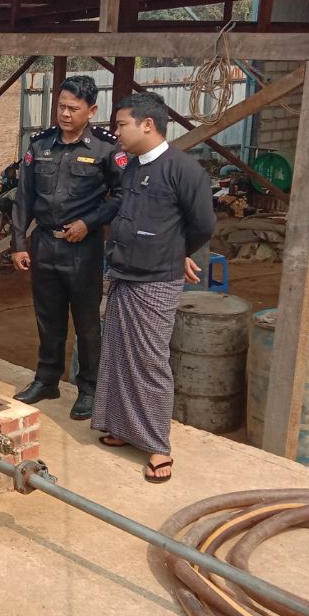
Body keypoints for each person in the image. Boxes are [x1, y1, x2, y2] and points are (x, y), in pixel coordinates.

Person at [93, 92, 216, 483]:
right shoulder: (132, 166)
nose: (116, 132)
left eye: (121, 125)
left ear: (147, 124)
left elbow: (203, 225)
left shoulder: (183, 170)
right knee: (118, 354)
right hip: (124, 273)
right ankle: (122, 427)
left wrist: (176, 252)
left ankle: (158, 445)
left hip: (156, 280)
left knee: (149, 362)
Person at [10, 75, 121, 420]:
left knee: (87, 322)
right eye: (61, 106)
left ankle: (89, 389)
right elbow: (24, 196)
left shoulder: (105, 148)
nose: (65, 114)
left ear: (92, 110)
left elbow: (120, 195)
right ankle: (47, 380)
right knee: (48, 317)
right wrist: (18, 243)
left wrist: (89, 222)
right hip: (44, 244)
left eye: (73, 108)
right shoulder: (40, 144)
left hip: (83, 248)